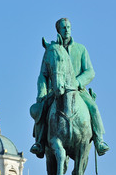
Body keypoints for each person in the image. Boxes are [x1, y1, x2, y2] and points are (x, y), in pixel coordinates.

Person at [30, 17, 109, 159]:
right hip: (55, 91)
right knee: (41, 111)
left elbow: (90, 71)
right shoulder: (51, 50)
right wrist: (41, 94)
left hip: (77, 91)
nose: (67, 30)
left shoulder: (81, 49)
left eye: (68, 27)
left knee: (93, 108)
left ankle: (99, 140)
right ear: (58, 31)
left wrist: (78, 82)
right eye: (63, 28)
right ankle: (40, 142)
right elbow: (43, 75)